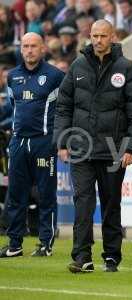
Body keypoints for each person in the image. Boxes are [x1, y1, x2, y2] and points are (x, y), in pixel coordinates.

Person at [54, 20, 132, 273]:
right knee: (82, 203)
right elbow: (63, 106)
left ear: (112, 37)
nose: (98, 40)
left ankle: (111, 256)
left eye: (103, 36)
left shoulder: (127, 69)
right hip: (81, 149)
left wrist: (131, 148)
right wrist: (62, 141)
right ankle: (82, 257)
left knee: (110, 204)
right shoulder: (77, 66)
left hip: (113, 150)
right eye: (94, 35)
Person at [0, 33, 64, 258]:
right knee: (16, 195)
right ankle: (15, 243)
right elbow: (12, 107)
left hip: (43, 142)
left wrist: (61, 139)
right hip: (18, 142)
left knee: (46, 195)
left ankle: (45, 243)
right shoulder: (12, 76)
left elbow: (65, 109)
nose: (29, 50)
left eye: (33, 46)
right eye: (25, 46)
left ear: (42, 48)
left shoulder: (56, 76)